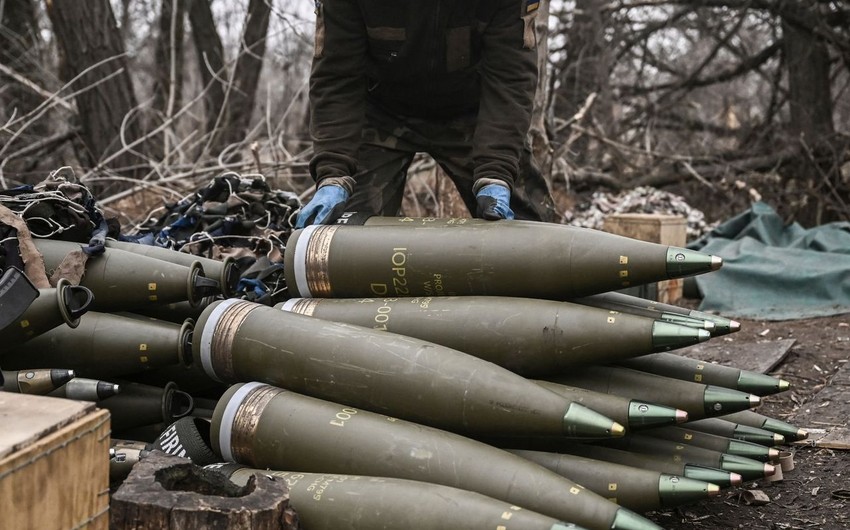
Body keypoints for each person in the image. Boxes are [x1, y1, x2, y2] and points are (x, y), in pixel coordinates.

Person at [296, 0, 556, 229]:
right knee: (343, 241)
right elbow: (337, 78)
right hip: (380, 113)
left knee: (533, 234)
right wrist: (334, 173)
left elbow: (510, 80)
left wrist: (496, 173)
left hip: (473, 114)